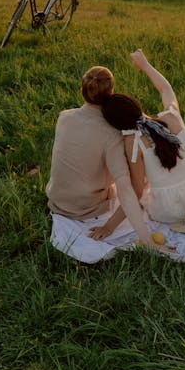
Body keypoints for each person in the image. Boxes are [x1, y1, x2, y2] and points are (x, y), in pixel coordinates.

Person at [100, 49, 185, 227]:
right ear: (136, 105)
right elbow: (166, 89)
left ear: (117, 125)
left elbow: (137, 190)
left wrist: (109, 225)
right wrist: (144, 65)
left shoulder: (133, 142)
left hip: (169, 210)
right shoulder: (171, 118)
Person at [45, 65, 158, 248]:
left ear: (83, 91)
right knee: (138, 180)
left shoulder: (63, 117)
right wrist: (113, 228)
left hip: (57, 201)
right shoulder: (112, 134)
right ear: (111, 92)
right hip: (86, 210)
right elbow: (125, 190)